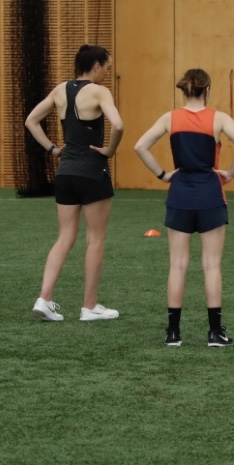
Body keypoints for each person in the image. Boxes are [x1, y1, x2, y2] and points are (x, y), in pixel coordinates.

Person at [134, 68, 234, 347]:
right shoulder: (219, 118)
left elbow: (140, 146)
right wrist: (231, 173)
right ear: (207, 90)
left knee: (177, 265)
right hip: (211, 194)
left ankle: (173, 333)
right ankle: (215, 333)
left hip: (180, 195)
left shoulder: (170, 118)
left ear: (185, 90)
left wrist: (163, 175)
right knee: (211, 265)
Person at [26, 44, 124, 322]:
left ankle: (44, 299)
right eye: (107, 66)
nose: (107, 72)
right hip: (93, 171)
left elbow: (31, 120)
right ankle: (89, 307)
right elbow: (118, 125)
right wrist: (110, 150)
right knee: (95, 240)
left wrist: (53, 149)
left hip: (65, 173)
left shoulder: (60, 90)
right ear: (96, 66)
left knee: (64, 238)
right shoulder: (100, 91)